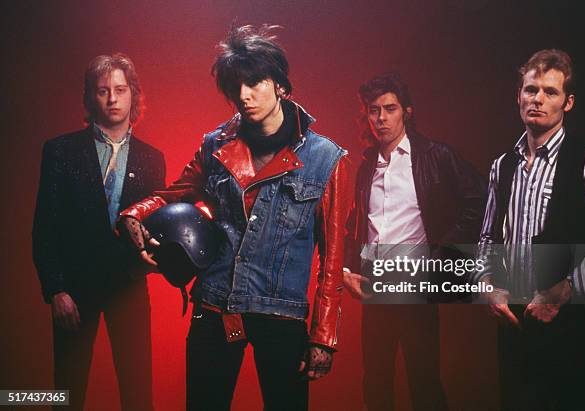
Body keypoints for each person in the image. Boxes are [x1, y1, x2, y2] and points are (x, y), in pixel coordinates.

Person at [117, 25, 349, 411]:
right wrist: (132, 214)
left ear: (280, 85)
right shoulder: (216, 145)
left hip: (281, 314)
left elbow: (333, 256)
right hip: (215, 305)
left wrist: (324, 336)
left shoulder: (327, 159)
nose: (243, 96)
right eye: (235, 87)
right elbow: (172, 193)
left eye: (254, 82)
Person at [473, 49, 585, 410]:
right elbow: (488, 238)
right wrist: (487, 287)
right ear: (518, 95)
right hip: (515, 328)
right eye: (530, 89)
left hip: (572, 330)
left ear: (568, 102)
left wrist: (564, 292)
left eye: (550, 92)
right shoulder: (502, 166)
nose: (537, 99)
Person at [343, 72, 486, 411]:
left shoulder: (435, 155)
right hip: (376, 285)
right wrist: (348, 269)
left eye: (389, 108)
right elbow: (355, 226)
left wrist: (444, 253)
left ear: (406, 111)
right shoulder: (367, 168)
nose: (381, 118)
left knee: (423, 381)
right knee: (375, 381)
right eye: (373, 110)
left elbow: (479, 199)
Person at [32, 53, 165, 410]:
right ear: (91, 97)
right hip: (74, 290)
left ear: (133, 95)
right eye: (103, 90)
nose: (112, 98)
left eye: (120, 90)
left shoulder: (153, 159)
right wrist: (55, 289)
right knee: (67, 393)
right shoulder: (60, 151)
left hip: (129, 288)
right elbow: (44, 226)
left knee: (138, 395)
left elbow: (156, 230)